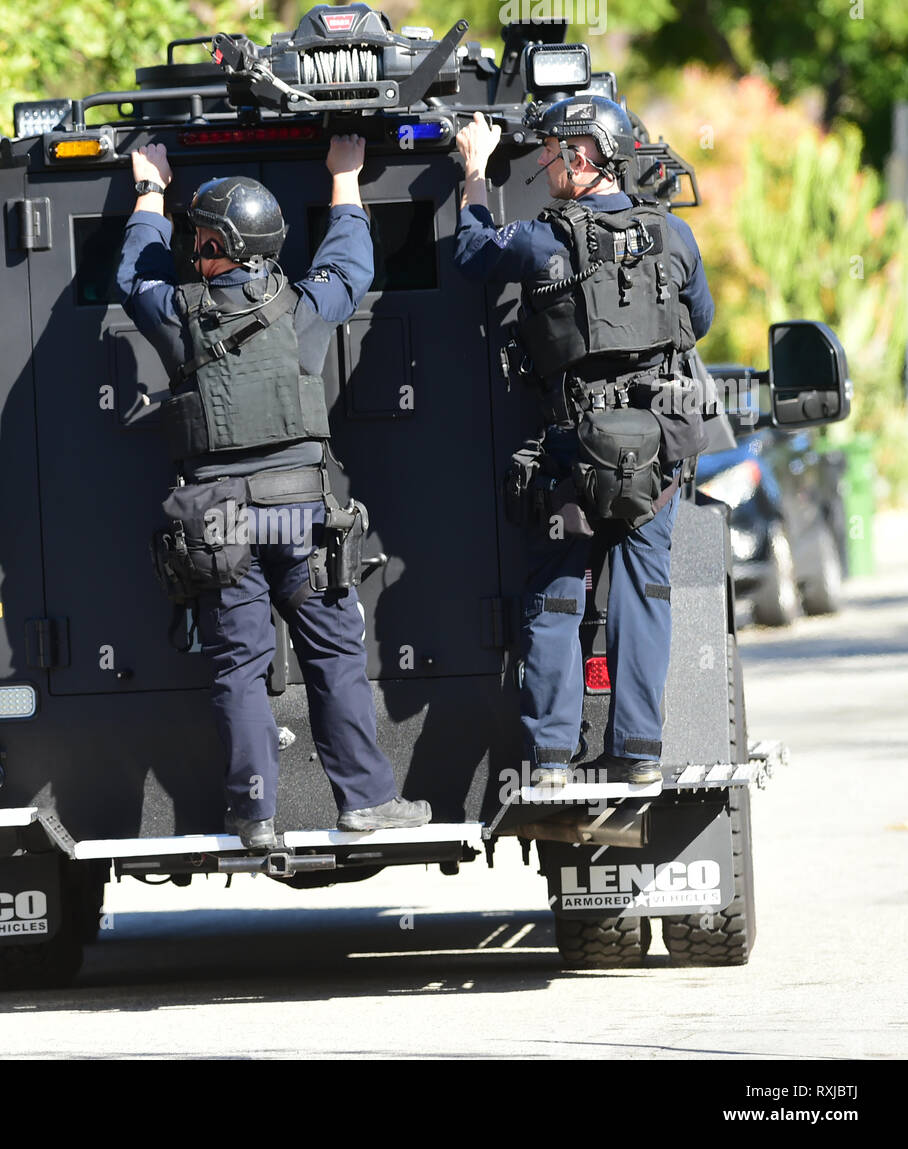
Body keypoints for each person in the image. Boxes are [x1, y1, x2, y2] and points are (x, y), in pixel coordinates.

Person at [117, 136, 431, 848]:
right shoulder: (303, 310)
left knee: (239, 666)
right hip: (300, 516)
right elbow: (351, 260)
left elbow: (132, 279)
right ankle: (365, 803)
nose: (193, 248)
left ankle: (254, 815)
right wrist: (345, 177)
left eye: (200, 237)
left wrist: (148, 192)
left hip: (222, 520)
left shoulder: (176, 313)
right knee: (335, 657)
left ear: (221, 244)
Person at [453, 96, 714, 788]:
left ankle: (552, 762)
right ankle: (639, 753)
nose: (544, 162)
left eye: (553, 151)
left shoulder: (545, 239)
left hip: (573, 450)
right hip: (655, 453)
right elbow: (702, 319)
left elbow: (473, 251)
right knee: (644, 596)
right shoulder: (676, 236)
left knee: (559, 597)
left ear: (584, 155)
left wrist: (475, 172)